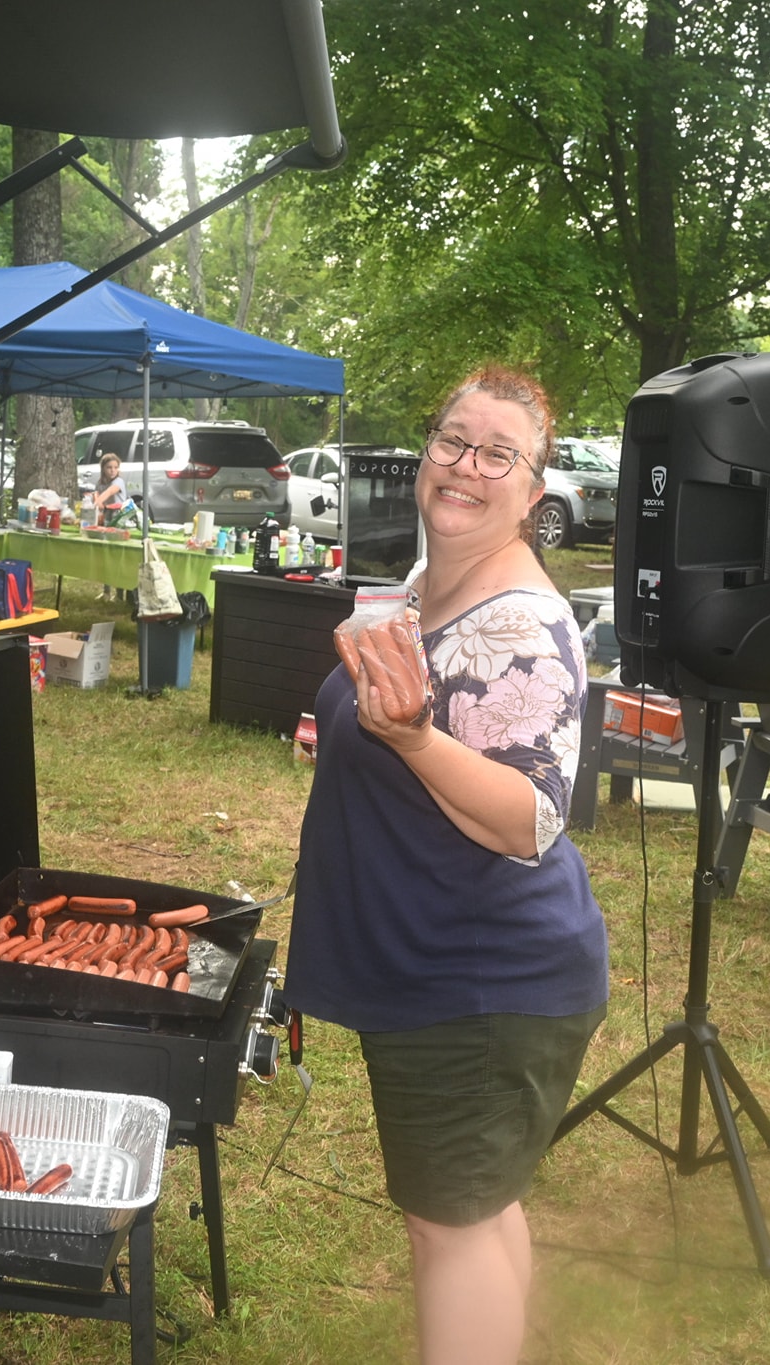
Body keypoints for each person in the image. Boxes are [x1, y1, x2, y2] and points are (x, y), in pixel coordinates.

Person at [286, 366, 607, 1365]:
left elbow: (527, 819)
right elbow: (401, 713)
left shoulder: (523, 623)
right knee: (474, 1207)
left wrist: (414, 743)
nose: (465, 467)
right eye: (451, 440)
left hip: (478, 986)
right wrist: (348, 733)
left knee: (449, 1225)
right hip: (443, 969)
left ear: (534, 491)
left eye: (496, 453)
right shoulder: (431, 585)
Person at [91, 452, 138, 528]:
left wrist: (98, 501)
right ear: (103, 468)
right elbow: (96, 496)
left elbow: (110, 491)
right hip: (105, 518)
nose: (113, 470)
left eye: (116, 467)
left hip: (119, 518)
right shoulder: (99, 483)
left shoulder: (119, 481)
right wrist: (96, 501)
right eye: (109, 467)